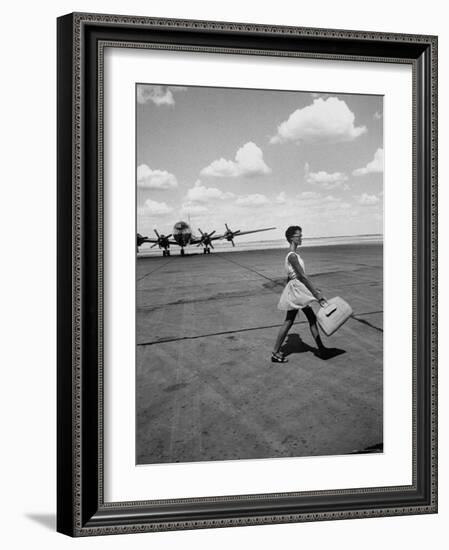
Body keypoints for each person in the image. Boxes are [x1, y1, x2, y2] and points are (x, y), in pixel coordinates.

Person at [271, 225, 327, 363]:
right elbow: (302, 276)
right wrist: (315, 293)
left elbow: (292, 278)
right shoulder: (292, 256)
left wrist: (309, 290)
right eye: (299, 235)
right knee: (290, 321)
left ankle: (321, 348)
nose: (301, 238)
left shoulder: (293, 256)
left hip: (297, 291)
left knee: (308, 318)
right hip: (298, 292)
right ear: (292, 238)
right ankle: (275, 353)